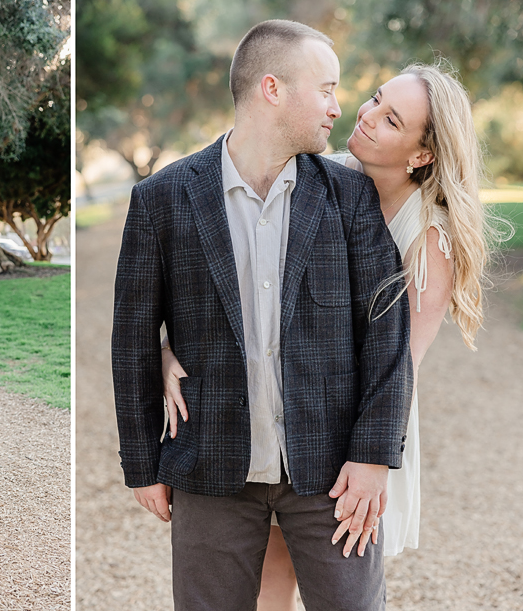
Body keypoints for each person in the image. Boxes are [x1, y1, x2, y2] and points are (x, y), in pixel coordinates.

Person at [160, 59, 488, 610]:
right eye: (377, 98)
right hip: (283, 417)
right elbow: (230, 276)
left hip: (356, 431)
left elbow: (396, 365)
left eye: (390, 120)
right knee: (271, 567)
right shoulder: (321, 176)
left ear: (421, 154)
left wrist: (369, 459)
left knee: (341, 583)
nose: (365, 115)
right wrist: (164, 346)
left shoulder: (428, 242)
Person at [111, 19, 415, 611]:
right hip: (210, 467)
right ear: (273, 89)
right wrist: (141, 462)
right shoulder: (163, 198)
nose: (337, 106)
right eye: (326, 88)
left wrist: (374, 455)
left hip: (332, 473)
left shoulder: (350, 198)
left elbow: (387, 337)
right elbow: (132, 338)